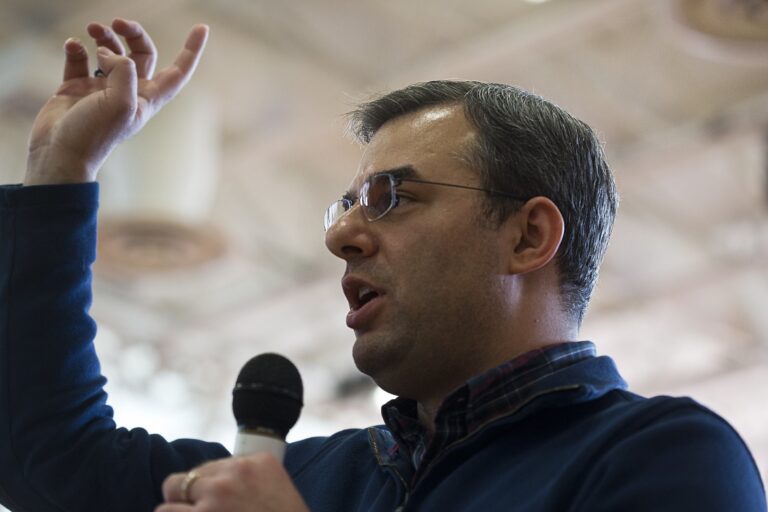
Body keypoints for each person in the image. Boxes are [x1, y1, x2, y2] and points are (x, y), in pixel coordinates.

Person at [0, 18, 764, 512]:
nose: (342, 239)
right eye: (345, 207)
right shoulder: (320, 482)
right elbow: (44, 458)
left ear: (529, 237)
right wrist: (58, 172)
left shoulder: (667, 460)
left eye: (391, 197)